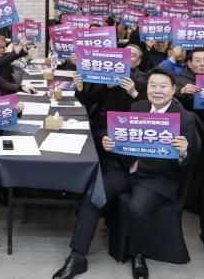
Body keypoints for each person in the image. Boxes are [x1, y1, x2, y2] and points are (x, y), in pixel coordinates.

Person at [53, 68, 196, 279]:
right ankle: (77, 256)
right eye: (153, 85)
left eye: (163, 86)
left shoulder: (185, 118)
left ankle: (138, 254)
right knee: (94, 195)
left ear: (173, 89)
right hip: (126, 169)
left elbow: (189, 161)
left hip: (157, 178)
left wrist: (183, 152)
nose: (157, 91)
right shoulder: (138, 106)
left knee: (136, 207)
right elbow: (119, 133)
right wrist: (109, 141)